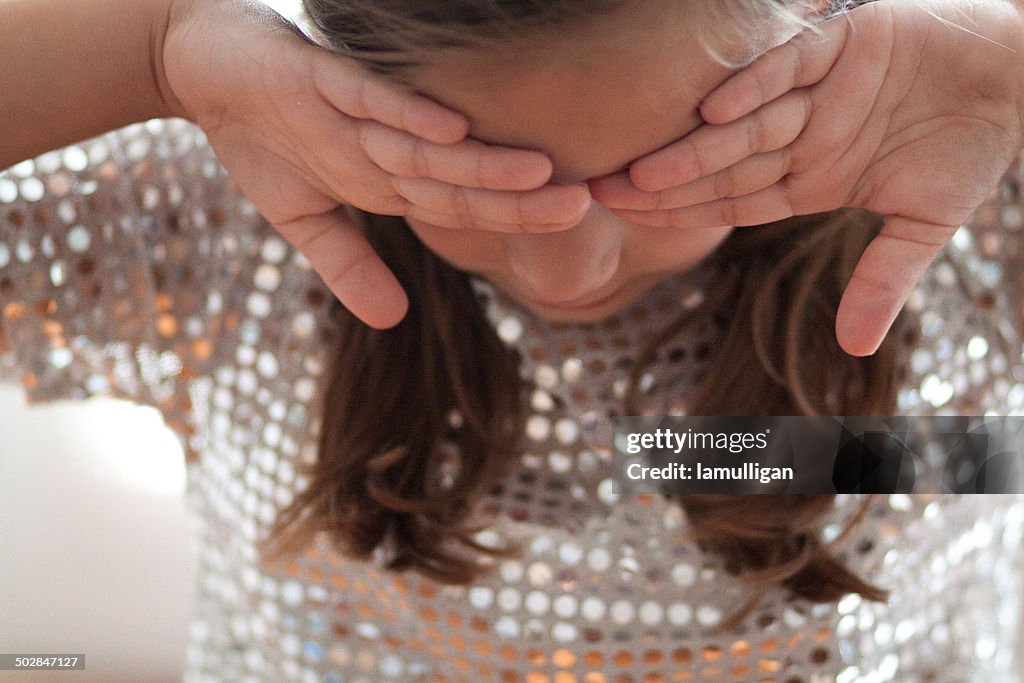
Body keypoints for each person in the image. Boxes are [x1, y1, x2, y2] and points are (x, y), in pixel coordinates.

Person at [1, 0, 1023, 680]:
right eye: (469, 184)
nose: (563, 273)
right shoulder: (217, 226)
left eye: (662, 173)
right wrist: (147, 51)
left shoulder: (970, 202)